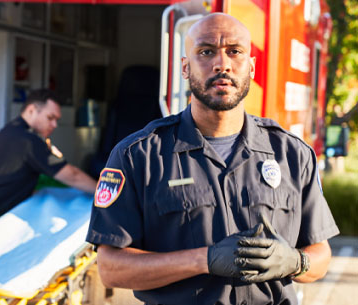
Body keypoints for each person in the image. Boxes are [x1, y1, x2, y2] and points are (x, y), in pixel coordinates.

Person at [86, 13, 339, 305]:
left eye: (235, 51)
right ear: (184, 68)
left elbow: (321, 255)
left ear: (252, 67)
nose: (222, 63)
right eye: (206, 52)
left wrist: (295, 262)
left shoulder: (293, 154)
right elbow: (111, 268)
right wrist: (203, 260)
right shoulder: (137, 156)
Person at [0, 89, 97, 245]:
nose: (54, 125)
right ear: (31, 110)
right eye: (50, 118)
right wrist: (103, 192)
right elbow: (72, 176)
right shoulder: (30, 141)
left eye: (57, 120)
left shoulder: (12, 131)